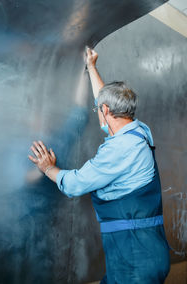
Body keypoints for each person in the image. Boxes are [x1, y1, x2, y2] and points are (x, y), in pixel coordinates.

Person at [28, 47, 170, 284]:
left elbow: (74, 184)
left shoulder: (118, 150)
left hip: (134, 260)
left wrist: (48, 168)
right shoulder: (139, 132)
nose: (99, 112)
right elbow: (105, 107)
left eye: (99, 109)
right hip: (147, 252)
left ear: (106, 110)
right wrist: (92, 67)